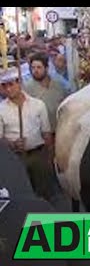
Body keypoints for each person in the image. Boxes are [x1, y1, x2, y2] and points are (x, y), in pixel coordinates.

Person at [0, 67, 54, 202]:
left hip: (38, 155)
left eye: (11, 84)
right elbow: (0, 137)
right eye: (4, 86)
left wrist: (49, 157)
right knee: (21, 194)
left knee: (43, 193)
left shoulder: (38, 105)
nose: (8, 89)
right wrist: (12, 144)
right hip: (16, 158)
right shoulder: (1, 110)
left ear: (20, 83)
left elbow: (46, 133)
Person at [23, 52, 68, 132]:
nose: (35, 70)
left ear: (46, 68)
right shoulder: (27, 88)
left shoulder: (58, 84)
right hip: (40, 134)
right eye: (33, 68)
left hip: (61, 129)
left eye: (39, 67)